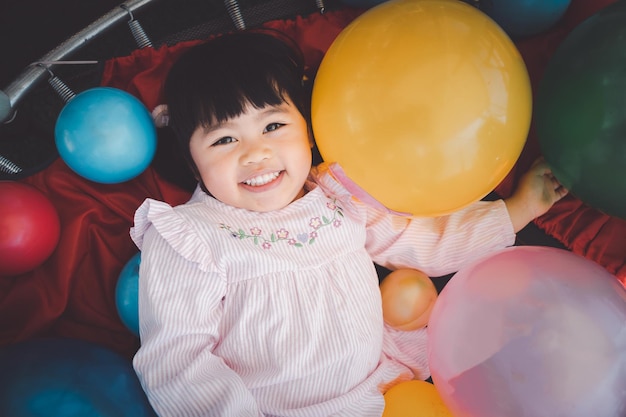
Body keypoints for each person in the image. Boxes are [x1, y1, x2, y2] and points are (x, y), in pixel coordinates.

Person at [130, 29, 567, 417]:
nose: (255, 153)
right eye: (224, 139)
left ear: (308, 131)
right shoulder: (187, 235)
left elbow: (417, 240)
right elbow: (178, 359)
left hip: (379, 393)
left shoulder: (337, 196)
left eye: (274, 125)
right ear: (191, 161)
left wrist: (518, 209)